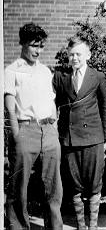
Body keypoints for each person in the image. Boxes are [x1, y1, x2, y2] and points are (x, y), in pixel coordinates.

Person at [4, 23, 63, 230]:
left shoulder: (45, 71)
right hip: (25, 130)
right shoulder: (11, 71)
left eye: (41, 46)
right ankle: (18, 226)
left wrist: (53, 128)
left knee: (53, 187)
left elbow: (51, 103)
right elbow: (10, 109)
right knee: (19, 187)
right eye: (33, 45)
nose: (38, 51)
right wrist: (17, 137)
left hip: (48, 131)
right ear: (22, 44)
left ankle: (54, 227)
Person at [53, 36, 106, 230]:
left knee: (94, 184)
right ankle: (80, 225)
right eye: (71, 54)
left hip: (94, 138)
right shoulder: (62, 78)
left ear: (88, 55)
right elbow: (56, 106)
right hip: (70, 140)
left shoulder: (98, 77)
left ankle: (93, 226)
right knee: (74, 184)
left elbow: (105, 107)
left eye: (79, 54)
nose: (75, 58)